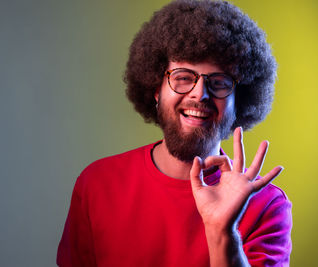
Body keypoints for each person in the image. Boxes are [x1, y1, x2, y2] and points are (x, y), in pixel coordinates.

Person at [57, 0, 292, 266]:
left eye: (218, 83)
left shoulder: (266, 206)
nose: (199, 94)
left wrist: (222, 232)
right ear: (156, 89)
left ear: (240, 102)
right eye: (183, 77)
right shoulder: (97, 185)